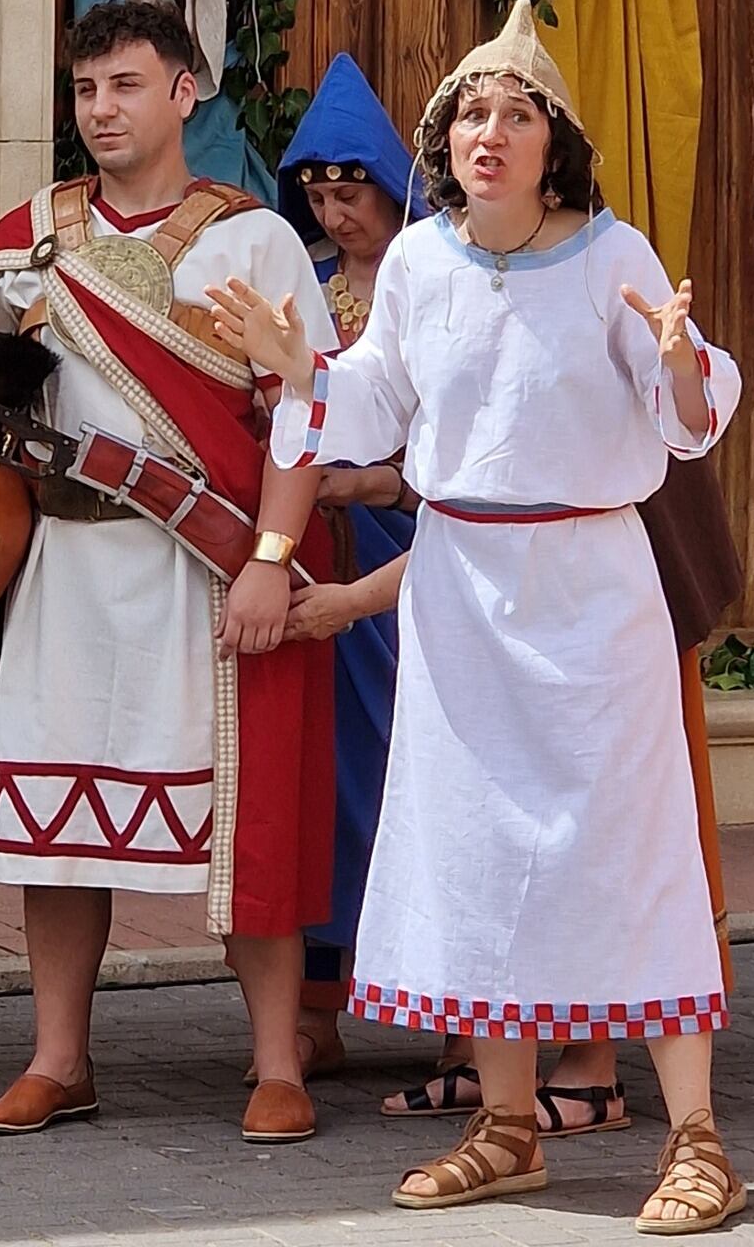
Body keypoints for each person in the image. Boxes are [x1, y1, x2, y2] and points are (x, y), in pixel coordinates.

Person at [209, 0, 747, 1232]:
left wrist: (674, 355)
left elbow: (689, 405)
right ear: (443, 141)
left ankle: (699, 1140)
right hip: (461, 592)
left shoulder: (613, 255)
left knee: (633, 849)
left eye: (515, 113)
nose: (487, 132)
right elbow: (375, 400)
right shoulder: (420, 261)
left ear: (554, 141)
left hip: (591, 593)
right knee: (477, 844)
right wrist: (303, 374)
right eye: (468, 115)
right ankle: (506, 1128)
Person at [0, 1, 339, 1143]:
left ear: (187, 91)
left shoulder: (252, 240)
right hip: (64, 577)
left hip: (203, 574)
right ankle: (58, 1061)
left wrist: (272, 564)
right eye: (87, 91)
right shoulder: (31, 239)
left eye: (126, 87)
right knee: (53, 820)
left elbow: (302, 413)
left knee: (241, 815)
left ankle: (277, 1064)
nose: (102, 111)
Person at [381, 453, 743, 1131]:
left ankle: (620, 1085)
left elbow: (678, 415)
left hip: (596, 584)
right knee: (482, 835)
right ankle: (500, 1106)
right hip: (477, 594)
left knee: (614, 842)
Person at [261, 54, 426, 1079]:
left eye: (350, 187)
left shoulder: (435, 286)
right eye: (316, 191)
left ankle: (464, 1012)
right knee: (327, 775)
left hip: (420, 562)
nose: (334, 207)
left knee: (417, 773)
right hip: (322, 566)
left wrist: (362, 484)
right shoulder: (306, 295)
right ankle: (318, 1003)